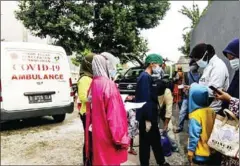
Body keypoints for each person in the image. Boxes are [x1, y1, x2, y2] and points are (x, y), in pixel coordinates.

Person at [85, 54, 129, 166]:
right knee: (109, 161)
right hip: (108, 136)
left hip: (96, 134)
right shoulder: (109, 85)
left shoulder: (93, 84)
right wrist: (121, 139)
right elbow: (115, 118)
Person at [135, 53, 169, 166]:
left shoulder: (147, 77)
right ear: (152, 64)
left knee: (155, 141)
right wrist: (147, 120)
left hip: (151, 116)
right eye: (159, 65)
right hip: (147, 117)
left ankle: (161, 162)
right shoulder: (145, 77)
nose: (160, 67)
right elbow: (145, 100)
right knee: (145, 144)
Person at [214, 38, 239, 166]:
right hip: (232, 132)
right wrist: (225, 95)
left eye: (233, 57)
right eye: (229, 59)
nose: (231, 62)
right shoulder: (237, 74)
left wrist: (229, 99)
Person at [190, 43, 229, 112]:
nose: (197, 62)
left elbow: (213, 92)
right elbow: (204, 86)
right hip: (205, 109)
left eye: (197, 59)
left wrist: (195, 89)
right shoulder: (208, 67)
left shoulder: (218, 66)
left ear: (206, 55)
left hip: (214, 111)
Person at [188, 83, 215, 166]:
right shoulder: (212, 111)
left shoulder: (195, 115)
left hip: (199, 153)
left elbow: (194, 136)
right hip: (211, 150)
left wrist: (190, 152)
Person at [77, 53, 95, 165]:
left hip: (92, 112)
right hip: (86, 113)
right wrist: (98, 97)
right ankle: (87, 162)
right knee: (88, 139)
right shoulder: (84, 78)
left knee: (93, 139)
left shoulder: (91, 77)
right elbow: (83, 97)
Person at [174, 60, 201, 133]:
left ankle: (191, 129)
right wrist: (184, 88)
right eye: (193, 64)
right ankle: (180, 127)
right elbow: (183, 84)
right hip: (187, 96)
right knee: (182, 112)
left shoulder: (200, 75)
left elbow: (201, 86)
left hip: (195, 97)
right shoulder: (186, 74)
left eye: (196, 64)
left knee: (193, 114)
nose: (194, 66)